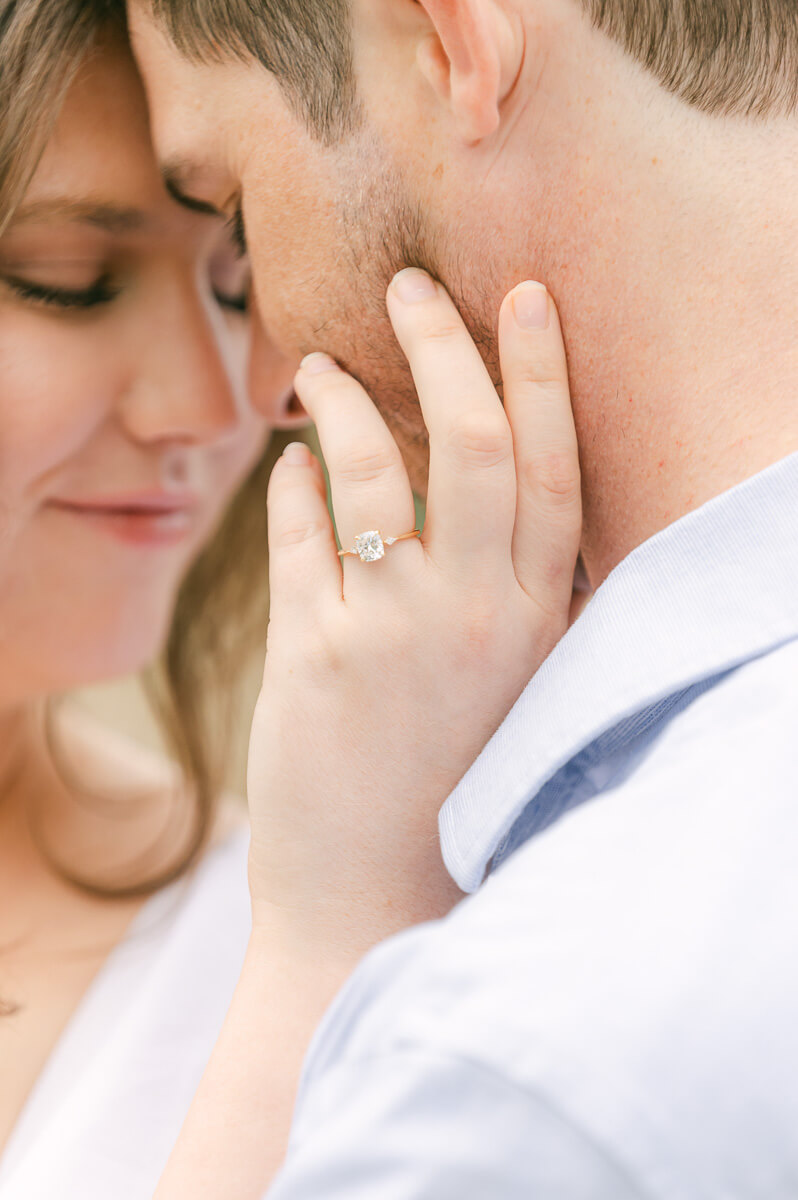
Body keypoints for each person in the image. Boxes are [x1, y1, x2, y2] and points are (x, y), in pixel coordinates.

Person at [125, 0, 798, 1195]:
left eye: (237, 212)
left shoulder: (521, 1067)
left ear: (450, 47)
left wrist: (330, 930)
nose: (268, 388)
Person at [0, 4, 584, 1198]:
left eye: (234, 285)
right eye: (66, 281)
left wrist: (337, 938)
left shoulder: (311, 912)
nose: (215, 408)